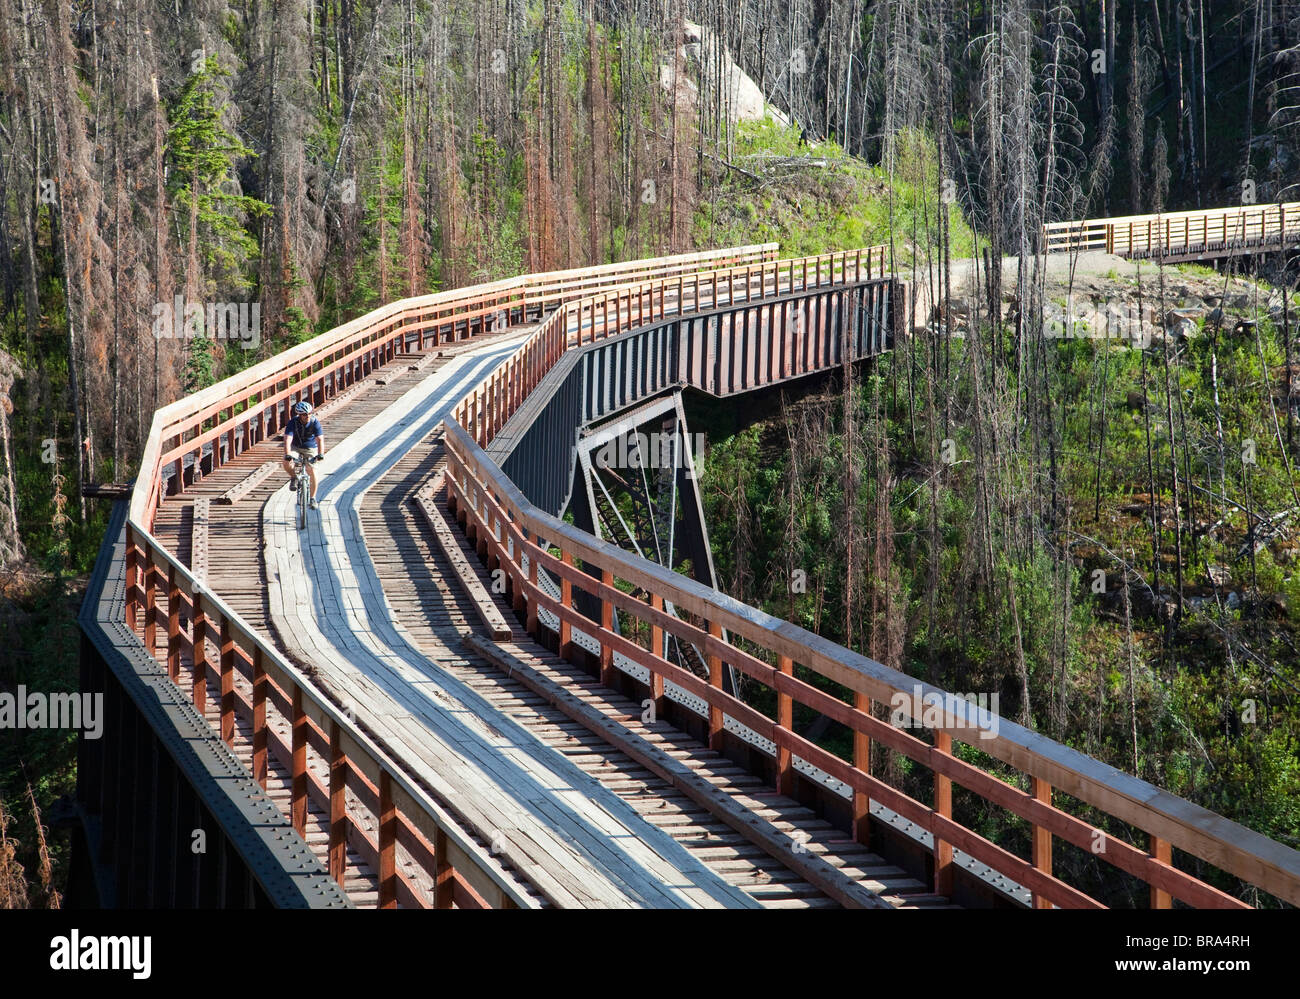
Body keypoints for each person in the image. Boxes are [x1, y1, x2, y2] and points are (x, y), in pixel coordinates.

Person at [283, 400, 325, 509]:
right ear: (299, 415)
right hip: (296, 446)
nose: (308, 416)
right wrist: (288, 454)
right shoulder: (293, 422)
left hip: (310, 447)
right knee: (286, 462)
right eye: (305, 414)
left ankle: (313, 498)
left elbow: (320, 439)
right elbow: (288, 439)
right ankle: (294, 477)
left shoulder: (314, 422)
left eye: (309, 413)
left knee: (312, 471)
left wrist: (320, 454)